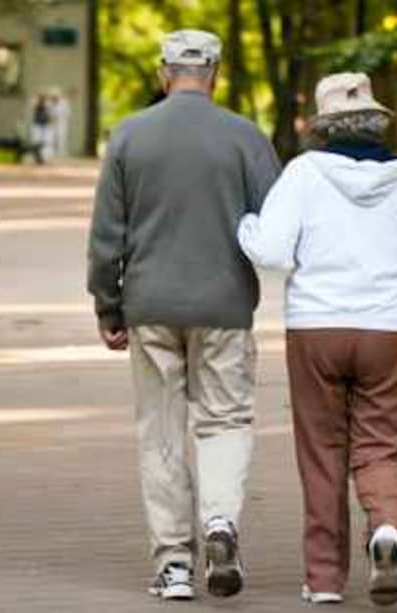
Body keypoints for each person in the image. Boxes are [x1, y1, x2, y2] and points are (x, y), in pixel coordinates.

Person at [87, 29, 280, 601]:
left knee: (161, 430)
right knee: (224, 421)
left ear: (162, 73)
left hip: (150, 304)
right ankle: (220, 522)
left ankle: (173, 564)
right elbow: (276, 227)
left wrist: (107, 304)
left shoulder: (129, 137)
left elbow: (106, 237)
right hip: (224, 306)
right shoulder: (246, 138)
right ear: (215, 73)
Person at [238, 72, 397, 607]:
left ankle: (325, 580)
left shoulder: (304, 174)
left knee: (323, 452)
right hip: (389, 330)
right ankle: (386, 530)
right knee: (379, 447)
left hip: (319, 328)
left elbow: (276, 252)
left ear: (323, 126)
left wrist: (245, 228)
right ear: (377, 123)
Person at [49, 87, 72, 158]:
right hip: (53, 123)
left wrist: (64, 119)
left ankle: (62, 153)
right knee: (53, 138)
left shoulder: (64, 103)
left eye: (55, 96)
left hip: (62, 122)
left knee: (62, 137)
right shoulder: (51, 104)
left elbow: (68, 113)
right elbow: (50, 113)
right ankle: (53, 153)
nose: (54, 97)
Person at [31, 94, 53, 160]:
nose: (42, 100)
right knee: (37, 141)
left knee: (46, 142)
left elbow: (49, 115)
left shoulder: (47, 106)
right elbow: (34, 103)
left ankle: (44, 156)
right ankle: (37, 155)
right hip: (37, 126)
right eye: (41, 99)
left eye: (43, 99)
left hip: (45, 126)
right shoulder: (36, 106)